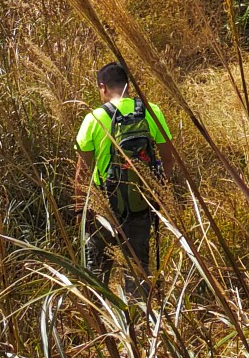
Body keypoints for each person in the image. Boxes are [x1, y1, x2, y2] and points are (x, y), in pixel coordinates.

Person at [74, 62, 174, 280]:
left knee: (97, 275)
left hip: (104, 209)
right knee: (138, 275)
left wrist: (81, 211)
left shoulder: (92, 119)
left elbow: (81, 174)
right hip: (140, 206)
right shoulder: (151, 111)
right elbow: (168, 159)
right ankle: (140, 312)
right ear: (128, 85)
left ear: (103, 87)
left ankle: (96, 311)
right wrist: (156, 194)